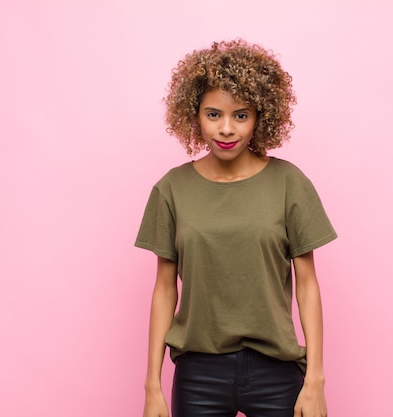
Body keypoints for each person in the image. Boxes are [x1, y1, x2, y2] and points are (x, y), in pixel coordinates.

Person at [135, 39, 337, 417]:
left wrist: (316, 381)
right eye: (214, 114)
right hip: (198, 375)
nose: (226, 129)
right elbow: (164, 289)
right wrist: (152, 386)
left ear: (261, 116)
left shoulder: (289, 183)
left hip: (276, 372)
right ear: (193, 114)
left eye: (241, 115)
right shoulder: (172, 189)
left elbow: (307, 284)